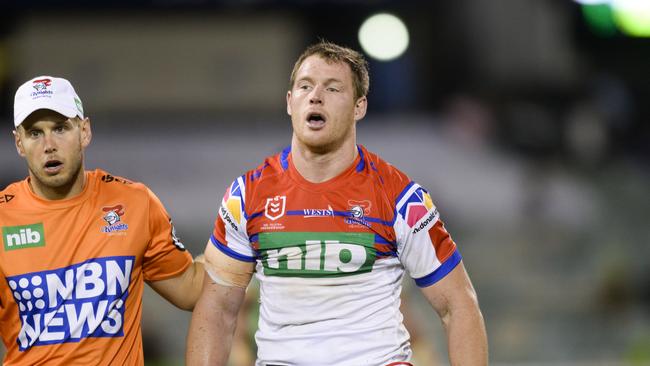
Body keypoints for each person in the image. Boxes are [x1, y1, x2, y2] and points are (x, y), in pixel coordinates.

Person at [186, 41, 488, 365]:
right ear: (290, 102)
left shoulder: (400, 198)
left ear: (359, 107)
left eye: (332, 88)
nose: (315, 96)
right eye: (305, 86)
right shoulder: (246, 196)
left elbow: (458, 305)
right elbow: (217, 309)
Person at [0, 76, 205, 365]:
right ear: (19, 143)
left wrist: (235, 236)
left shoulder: (134, 203)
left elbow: (191, 290)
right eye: (35, 133)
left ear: (84, 131)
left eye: (60, 128)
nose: (49, 145)